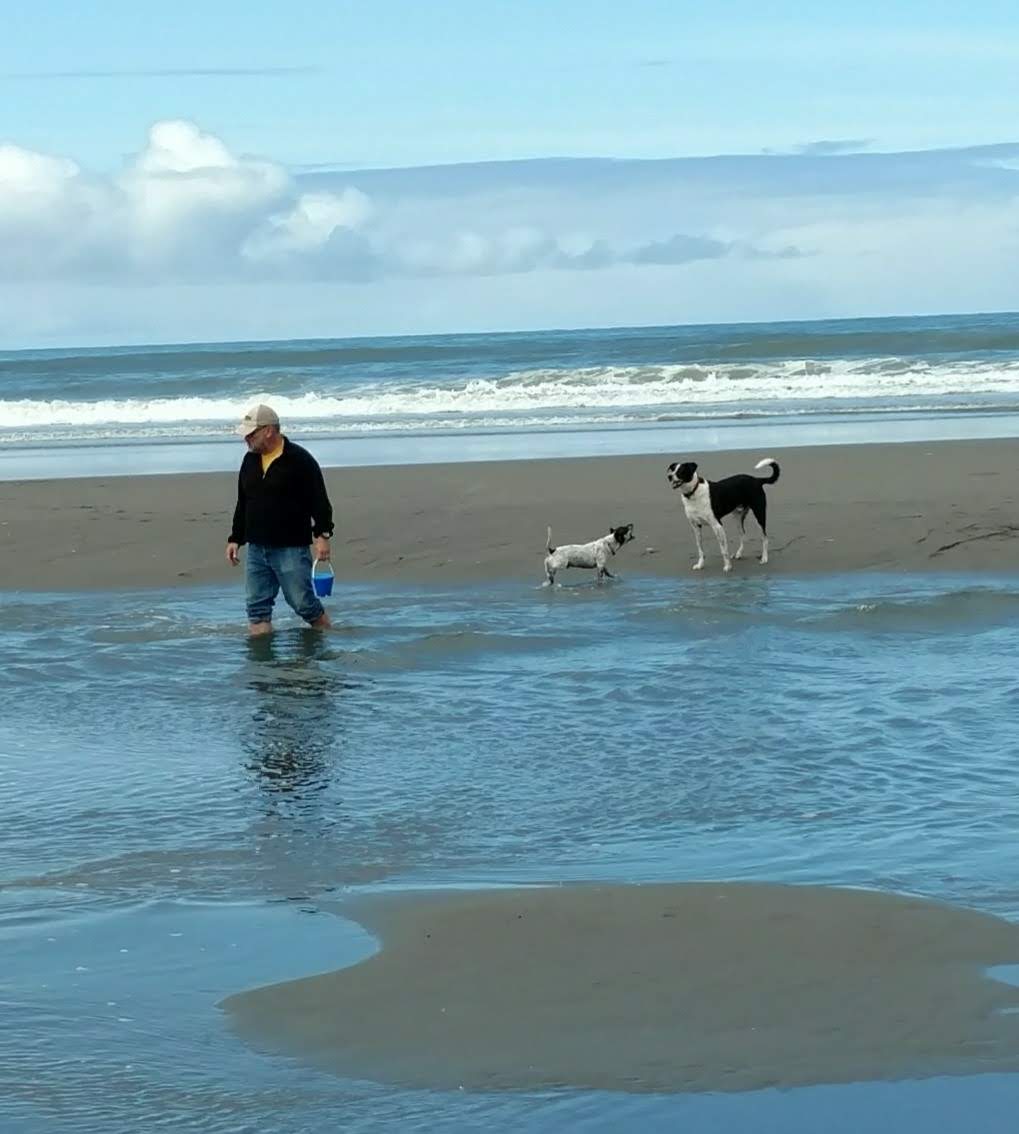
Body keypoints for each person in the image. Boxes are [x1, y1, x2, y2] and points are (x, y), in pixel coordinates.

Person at [226, 404, 334, 635]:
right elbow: (243, 501)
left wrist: (322, 535)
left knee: (303, 604)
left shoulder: (300, 460)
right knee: (256, 609)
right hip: (256, 548)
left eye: (251, 434)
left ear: (268, 431)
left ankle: (327, 638)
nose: (246, 439)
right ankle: (262, 656)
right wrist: (235, 538)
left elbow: (319, 500)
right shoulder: (249, 460)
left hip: (290, 547)